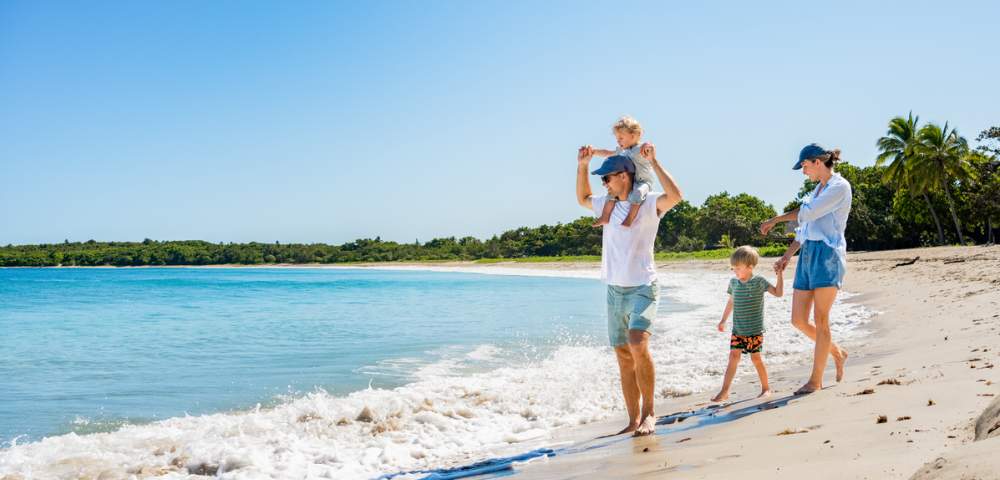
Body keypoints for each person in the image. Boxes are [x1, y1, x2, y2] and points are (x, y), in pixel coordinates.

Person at [576, 142, 682, 436]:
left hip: (643, 287)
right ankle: (633, 419)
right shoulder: (606, 206)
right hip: (614, 290)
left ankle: (650, 414)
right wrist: (582, 165)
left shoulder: (648, 204)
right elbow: (583, 197)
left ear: (624, 175)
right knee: (623, 354)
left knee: (638, 344)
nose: (604, 184)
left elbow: (676, 196)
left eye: (606, 178)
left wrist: (656, 163)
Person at [760, 143, 853, 395]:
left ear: (817, 162)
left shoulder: (839, 187)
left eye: (804, 166)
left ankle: (816, 380)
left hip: (827, 255)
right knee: (798, 320)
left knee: (821, 320)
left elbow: (808, 214)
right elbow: (804, 230)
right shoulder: (816, 190)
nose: (803, 172)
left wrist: (775, 219)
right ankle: (837, 352)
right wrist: (787, 256)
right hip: (808, 255)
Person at [711, 245, 783, 402]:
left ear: (750, 267)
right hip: (738, 330)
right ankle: (724, 391)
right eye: (733, 268)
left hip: (754, 330)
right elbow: (731, 302)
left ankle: (766, 388)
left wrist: (780, 275)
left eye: (738, 268)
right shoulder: (734, 283)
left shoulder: (759, 282)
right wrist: (723, 320)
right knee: (733, 357)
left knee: (756, 359)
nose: (735, 271)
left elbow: (778, 293)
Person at [591, 116, 656, 228]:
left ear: (633, 135)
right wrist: (594, 152)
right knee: (611, 194)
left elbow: (650, 148)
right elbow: (608, 153)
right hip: (631, 182)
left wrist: (649, 145)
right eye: (617, 138)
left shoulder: (640, 149)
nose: (618, 141)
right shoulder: (623, 151)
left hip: (644, 182)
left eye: (621, 138)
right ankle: (605, 217)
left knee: (638, 193)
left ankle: (630, 218)